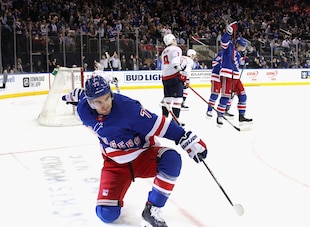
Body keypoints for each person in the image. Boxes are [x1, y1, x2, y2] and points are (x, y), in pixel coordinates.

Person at [61, 74, 207, 227]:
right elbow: (80, 95)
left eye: (106, 98)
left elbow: (159, 124)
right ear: (90, 103)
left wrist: (184, 137)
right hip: (114, 165)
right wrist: (74, 95)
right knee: (106, 214)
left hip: (143, 156)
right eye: (98, 102)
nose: (104, 105)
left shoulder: (129, 109)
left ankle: (152, 209)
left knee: (171, 159)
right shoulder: (83, 109)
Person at [218, 31, 253, 126]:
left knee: (243, 95)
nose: (242, 49)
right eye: (241, 46)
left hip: (236, 77)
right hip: (228, 75)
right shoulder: (229, 47)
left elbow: (238, 62)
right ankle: (220, 115)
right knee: (226, 96)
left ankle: (242, 116)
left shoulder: (237, 54)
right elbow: (224, 41)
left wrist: (244, 60)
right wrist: (228, 33)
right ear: (238, 44)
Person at [160, 33, 186, 126]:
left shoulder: (164, 51)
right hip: (174, 76)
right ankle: (175, 121)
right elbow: (175, 61)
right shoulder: (176, 49)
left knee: (167, 98)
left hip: (165, 77)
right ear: (173, 40)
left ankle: (163, 119)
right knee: (178, 99)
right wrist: (180, 71)